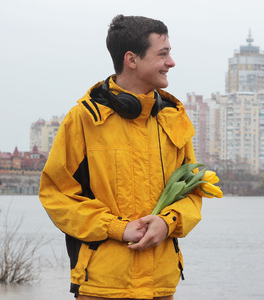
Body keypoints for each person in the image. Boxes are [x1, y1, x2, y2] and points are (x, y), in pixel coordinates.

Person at [39, 14, 202, 300]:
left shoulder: (174, 118)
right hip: (101, 286)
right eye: (163, 54)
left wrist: (168, 222)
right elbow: (57, 195)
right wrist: (117, 228)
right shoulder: (84, 120)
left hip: (160, 286)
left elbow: (193, 191)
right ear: (132, 59)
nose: (171, 62)